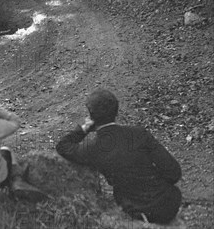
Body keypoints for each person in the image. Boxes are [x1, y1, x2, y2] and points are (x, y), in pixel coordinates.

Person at [56, 89, 182, 224]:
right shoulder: (139, 133)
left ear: (91, 116)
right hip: (169, 205)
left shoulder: (93, 148)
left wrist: (83, 129)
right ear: (116, 111)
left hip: (136, 211)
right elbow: (174, 172)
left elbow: (63, 146)